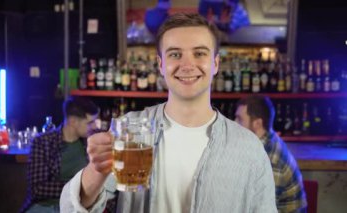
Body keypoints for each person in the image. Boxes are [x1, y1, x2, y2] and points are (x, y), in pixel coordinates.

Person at [60, 13, 277, 213]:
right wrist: (97, 171)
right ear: (161, 65)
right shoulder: (129, 129)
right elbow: (69, 209)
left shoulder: (249, 148)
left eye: (199, 53)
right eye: (175, 54)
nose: (187, 65)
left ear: (216, 64)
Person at [21, 96, 99, 213]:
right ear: (73, 121)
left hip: (78, 208)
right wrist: (77, 187)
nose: (95, 126)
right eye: (90, 122)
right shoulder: (43, 142)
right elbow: (37, 189)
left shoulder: (91, 143)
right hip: (45, 207)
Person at [235, 95, 307, 212]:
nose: (234, 123)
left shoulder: (271, 160)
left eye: (240, 119)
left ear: (257, 124)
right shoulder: (263, 143)